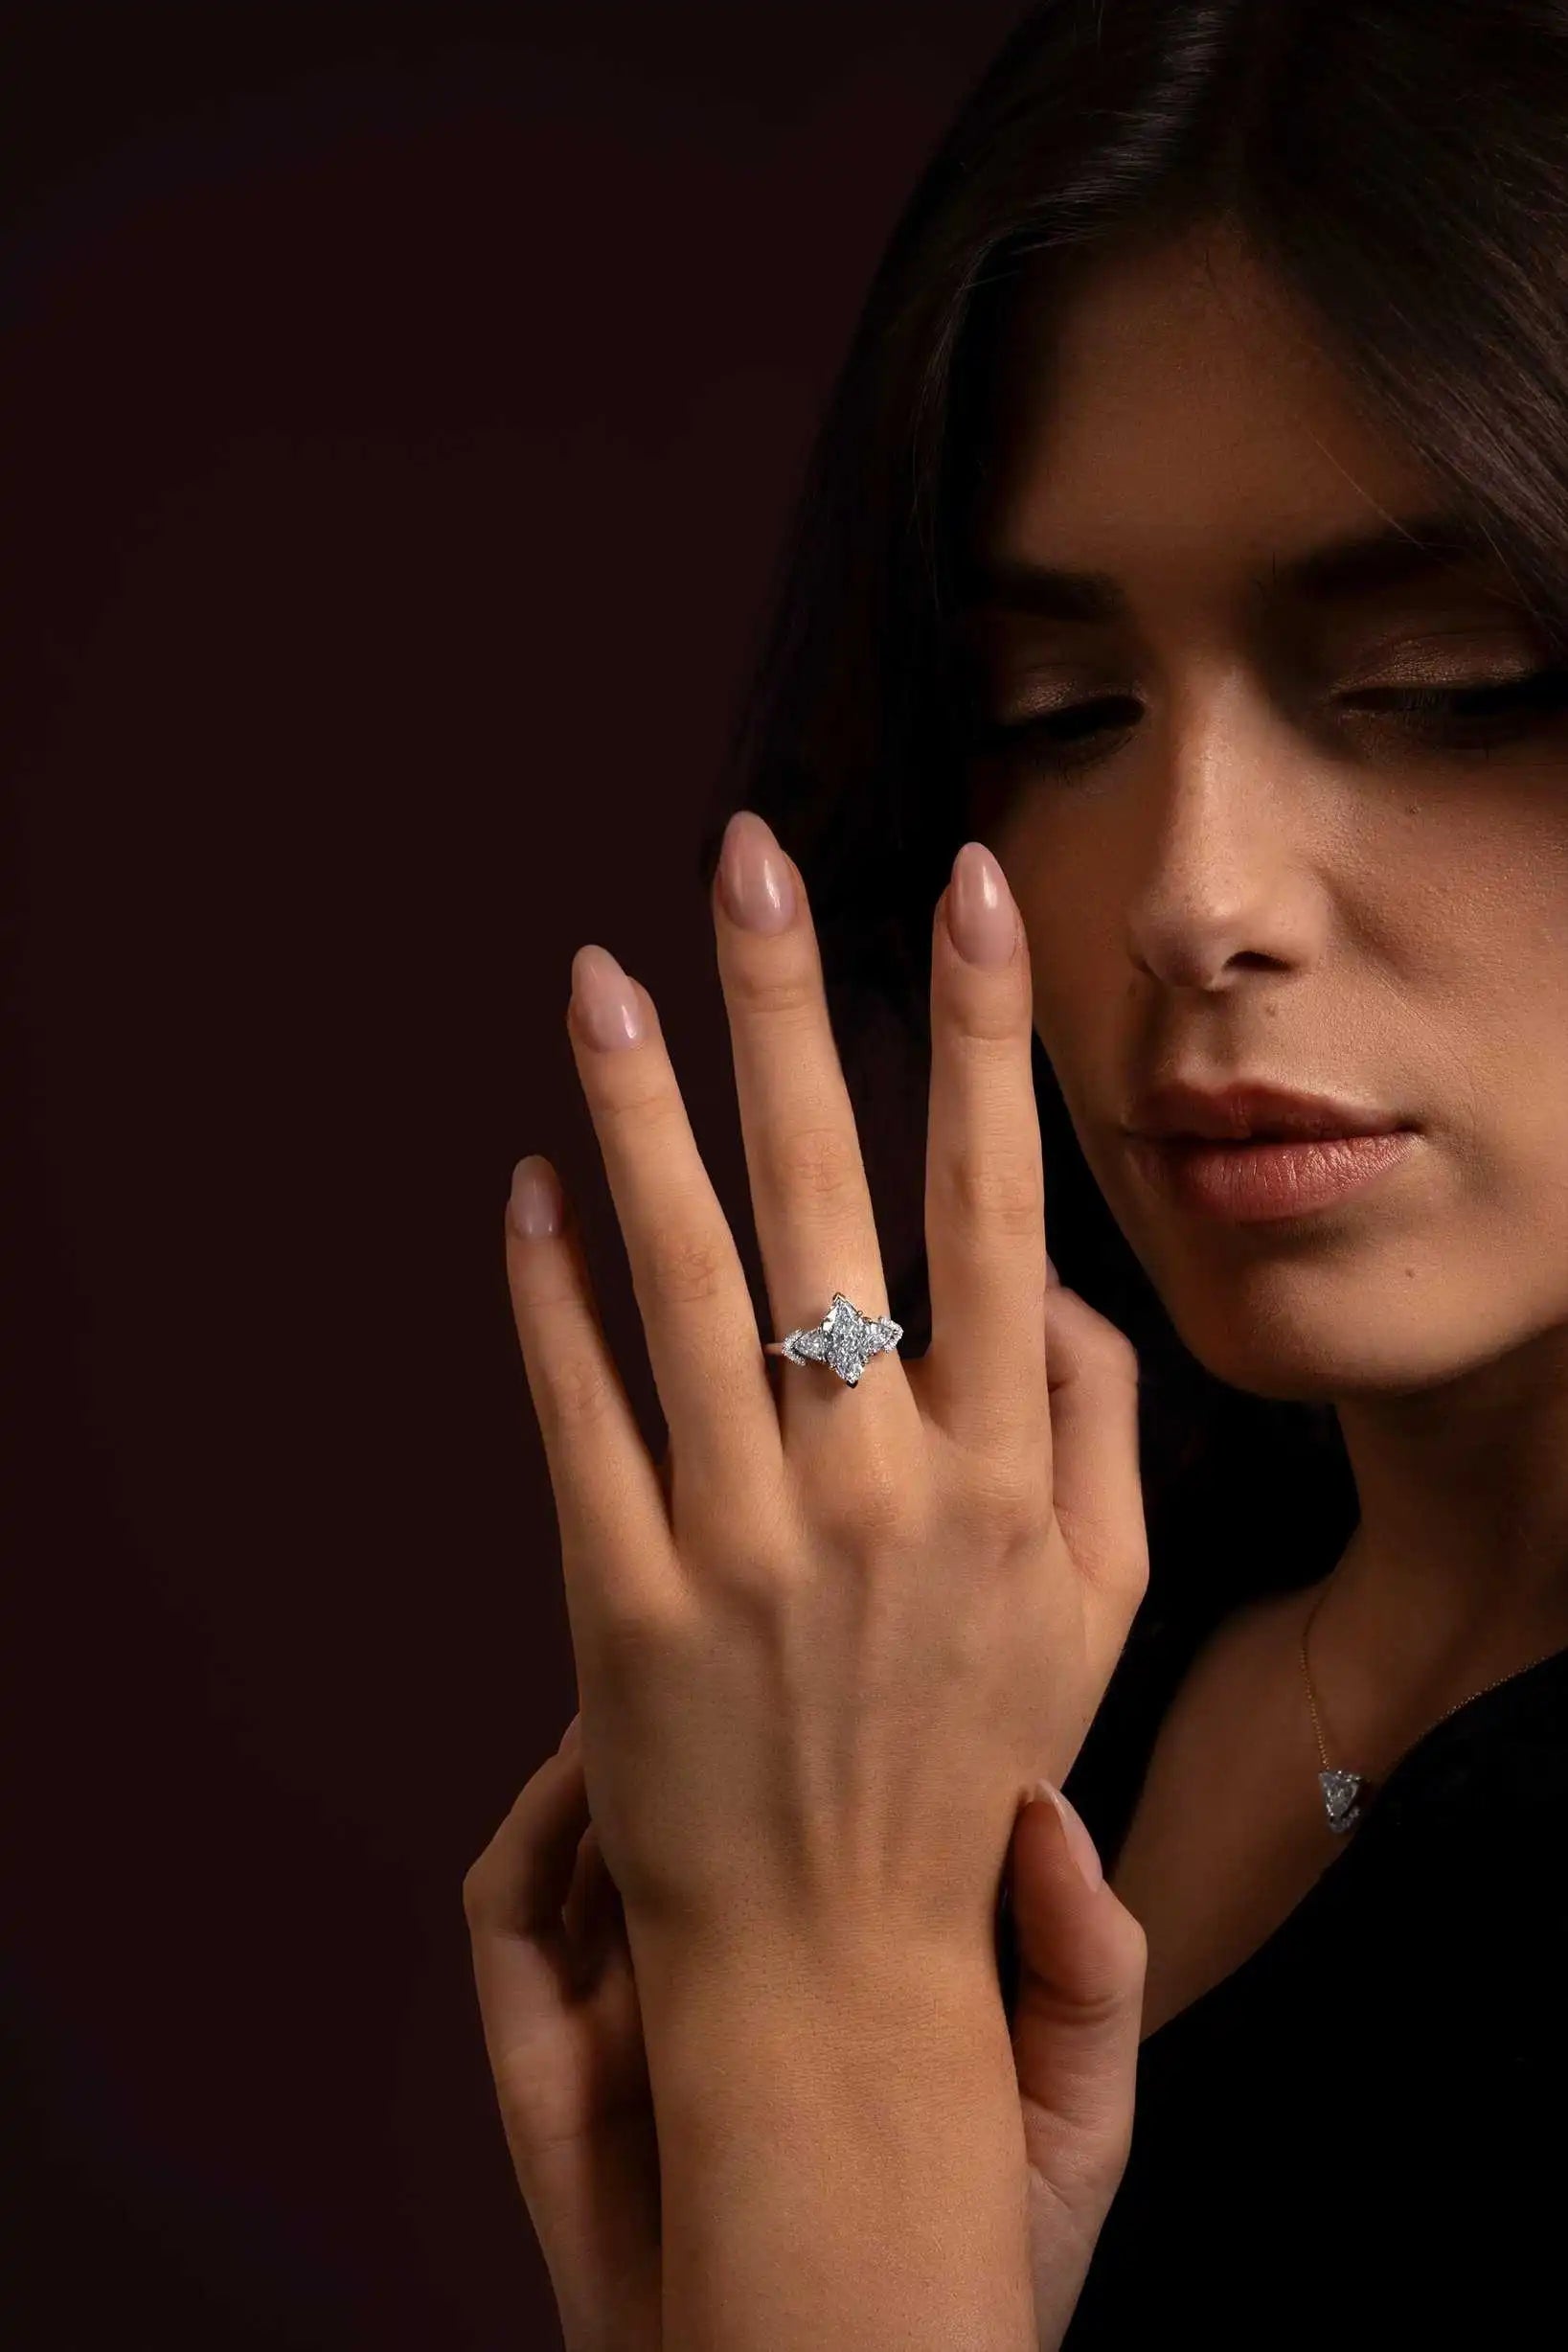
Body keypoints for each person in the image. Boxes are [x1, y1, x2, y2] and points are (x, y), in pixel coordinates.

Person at [465, 2, 1568, 2342]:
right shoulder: (1021, 1643)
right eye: (1061, 718)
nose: (1191, 894)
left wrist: (826, 2024)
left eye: (1442, 679)